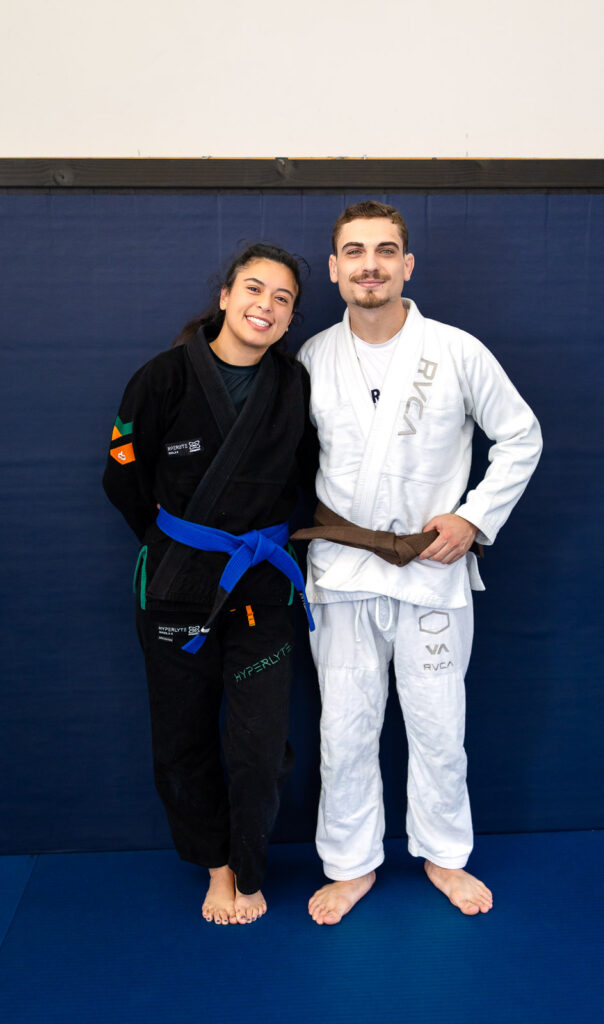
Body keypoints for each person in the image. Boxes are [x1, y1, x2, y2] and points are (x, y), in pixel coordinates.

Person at [296, 201, 542, 925]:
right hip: (341, 571)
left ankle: (443, 854)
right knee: (343, 729)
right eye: (353, 251)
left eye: (384, 250)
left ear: (406, 265)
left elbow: (520, 437)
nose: (368, 264)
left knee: (437, 724)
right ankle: (349, 862)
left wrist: (472, 517)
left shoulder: (457, 351)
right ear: (337, 267)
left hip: (431, 570)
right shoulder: (312, 357)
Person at [103, 243, 317, 926]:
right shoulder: (161, 378)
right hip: (174, 583)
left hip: (261, 586)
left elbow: (308, 481)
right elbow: (123, 479)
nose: (266, 305)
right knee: (183, 739)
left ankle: (250, 867)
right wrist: (178, 549)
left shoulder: (295, 386)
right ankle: (218, 870)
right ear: (225, 296)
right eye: (254, 289)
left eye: (282, 299)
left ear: (289, 320)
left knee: (258, 748)